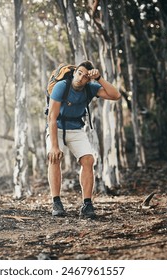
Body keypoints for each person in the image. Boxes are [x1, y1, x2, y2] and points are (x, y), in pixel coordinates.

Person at [46, 60, 121, 218]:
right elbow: (52, 118)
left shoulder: (91, 88)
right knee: (54, 158)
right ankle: (56, 202)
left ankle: (87, 205)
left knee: (88, 160)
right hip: (57, 127)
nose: (81, 78)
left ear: (89, 79)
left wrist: (99, 78)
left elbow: (116, 95)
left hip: (76, 129)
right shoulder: (62, 86)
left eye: (85, 76)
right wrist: (54, 146)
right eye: (79, 73)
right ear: (74, 72)